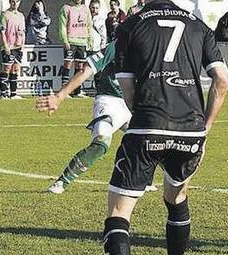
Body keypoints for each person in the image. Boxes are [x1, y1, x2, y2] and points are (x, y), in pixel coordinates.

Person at [103, 0, 228, 255]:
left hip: (148, 125)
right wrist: (205, 126)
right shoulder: (199, 26)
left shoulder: (129, 26)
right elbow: (222, 80)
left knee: (119, 213)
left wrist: (142, 115)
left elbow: (127, 86)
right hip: (191, 131)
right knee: (176, 197)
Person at [36, 42, 155, 195]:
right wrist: (60, 96)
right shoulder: (117, 45)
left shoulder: (153, 45)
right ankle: (62, 181)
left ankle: (147, 181)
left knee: (155, 141)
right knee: (101, 143)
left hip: (135, 103)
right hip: (110, 100)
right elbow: (86, 71)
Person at [58, 0, 93, 98]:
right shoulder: (66, 8)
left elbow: (89, 25)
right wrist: (64, 40)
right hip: (71, 40)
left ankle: (77, 91)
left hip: (82, 41)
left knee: (80, 66)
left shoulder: (85, 9)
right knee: (67, 64)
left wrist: (89, 39)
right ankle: (64, 91)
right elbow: (62, 25)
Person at [0, 0, 25, 99]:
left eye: (17, 1)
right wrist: (5, 46)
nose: (15, 3)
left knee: (15, 69)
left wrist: (22, 46)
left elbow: (23, 32)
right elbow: (2, 31)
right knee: (6, 68)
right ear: (10, 1)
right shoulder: (5, 14)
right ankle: (3, 93)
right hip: (9, 46)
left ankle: (13, 93)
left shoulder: (21, 15)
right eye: (13, 1)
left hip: (18, 46)